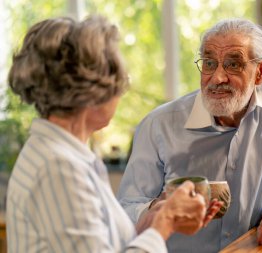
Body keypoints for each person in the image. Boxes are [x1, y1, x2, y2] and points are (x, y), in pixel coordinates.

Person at [6, 15, 221, 253]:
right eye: (121, 81)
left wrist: (155, 218)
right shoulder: (58, 168)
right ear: (92, 90)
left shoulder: (65, 155)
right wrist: (165, 223)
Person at [117, 18, 262, 252]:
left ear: (260, 72)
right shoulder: (158, 125)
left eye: (233, 64)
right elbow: (127, 209)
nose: (218, 77)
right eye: (209, 63)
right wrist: (159, 208)